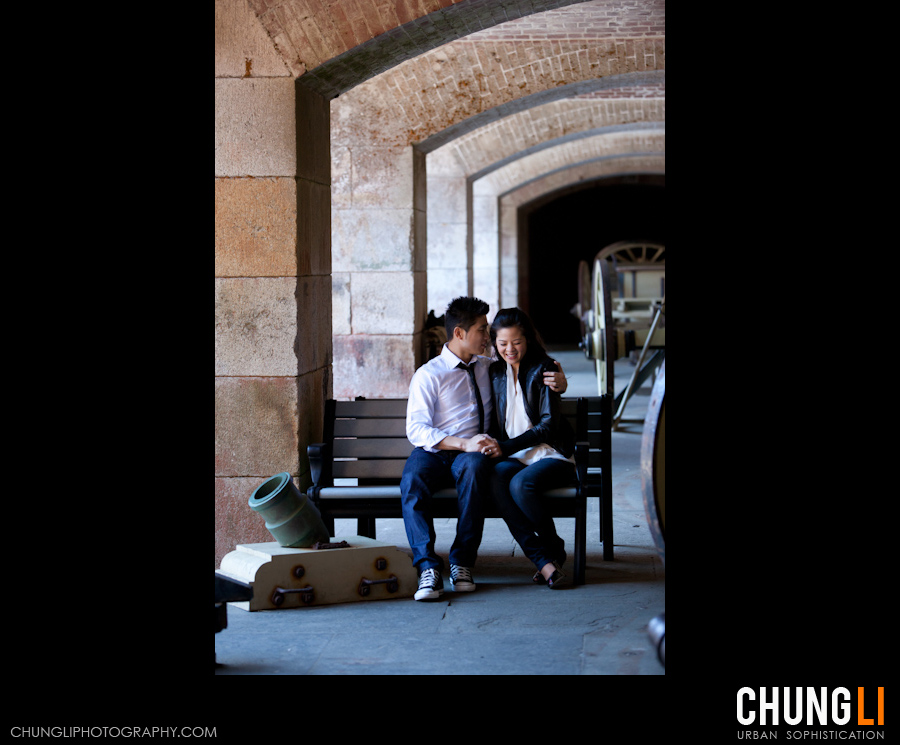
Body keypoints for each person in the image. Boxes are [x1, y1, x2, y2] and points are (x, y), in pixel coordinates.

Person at [401, 297, 567, 601]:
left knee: (479, 470)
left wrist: (560, 382)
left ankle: (461, 562)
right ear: (460, 334)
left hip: (473, 456)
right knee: (412, 480)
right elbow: (416, 429)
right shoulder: (429, 374)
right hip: (436, 450)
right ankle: (427, 567)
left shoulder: (488, 368)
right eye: (482, 329)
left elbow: (527, 370)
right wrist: (462, 442)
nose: (488, 337)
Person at [482, 307, 576, 589]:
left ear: (528, 339)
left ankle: (551, 549)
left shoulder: (545, 367)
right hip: (517, 454)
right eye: (502, 344)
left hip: (551, 453)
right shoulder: (494, 371)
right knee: (496, 478)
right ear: (494, 343)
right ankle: (545, 558)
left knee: (521, 485)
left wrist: (506, 446)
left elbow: (548, 426)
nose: (509, 350)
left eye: (517, 342)